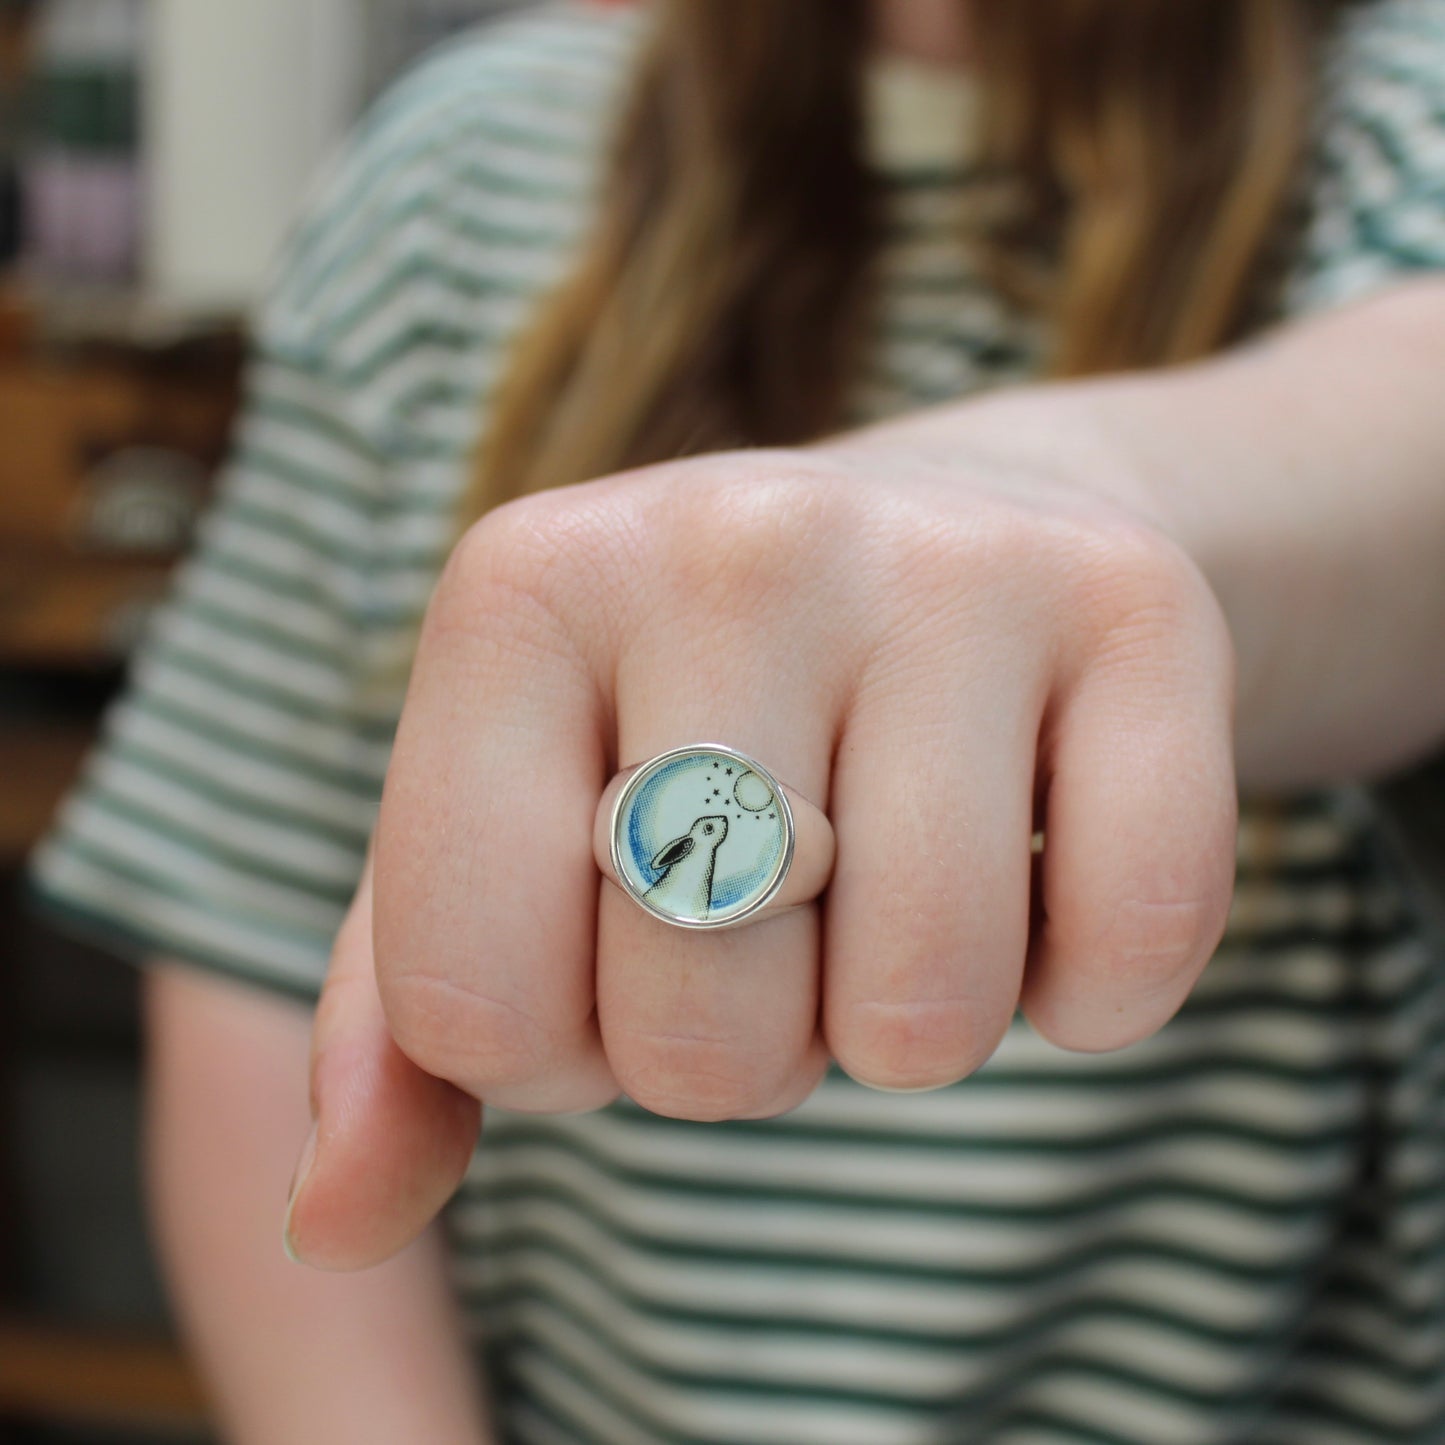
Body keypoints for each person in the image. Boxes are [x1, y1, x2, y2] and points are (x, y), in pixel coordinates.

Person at [28, 0, 1445, 1440]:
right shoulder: (464, 171)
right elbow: (256, 950)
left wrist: (1002, 500)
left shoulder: (1404, 112)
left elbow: (1402, 468)